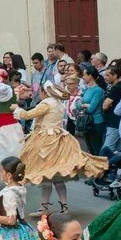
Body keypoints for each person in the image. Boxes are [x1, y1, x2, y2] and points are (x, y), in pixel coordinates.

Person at [13, 81, 108, 213]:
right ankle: (60, 207)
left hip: (47, 141)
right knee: (55, 177)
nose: (39, 94)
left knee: (47, 175)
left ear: (44, 92)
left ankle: (47, 208)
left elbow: (28, 115)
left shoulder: (47, 103)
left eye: (40, 91)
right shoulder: (57, 103)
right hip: (59, 139)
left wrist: (17, 108)